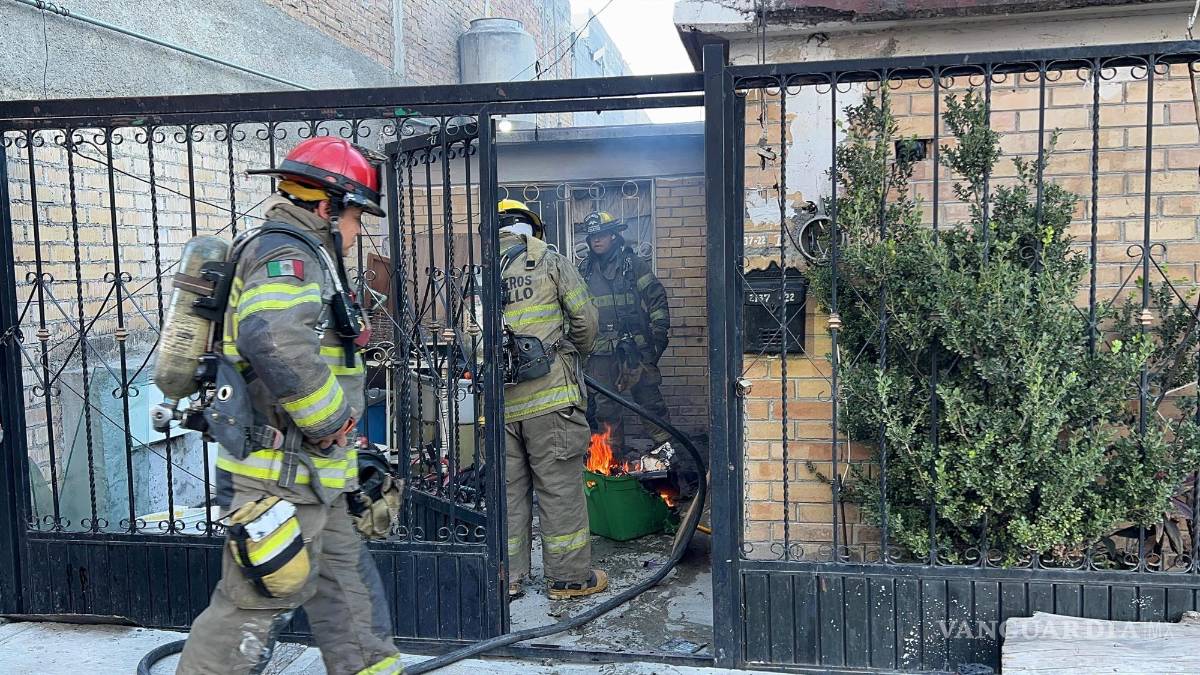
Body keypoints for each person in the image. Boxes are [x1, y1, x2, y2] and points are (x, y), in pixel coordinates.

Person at [177, 137, 403, 675]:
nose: (356, 233)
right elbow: (271, 337)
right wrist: (329, 422)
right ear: (326, 206)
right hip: (278, 478)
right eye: (355, 218)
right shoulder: (290, 255)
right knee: (248, 612)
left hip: (315, 477)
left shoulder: (303, 252)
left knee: (350, 599)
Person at [496, 199, 606, 601]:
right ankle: (569, 579)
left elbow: (471, 340)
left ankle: (507, 578)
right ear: (533, 229)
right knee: (559, 488)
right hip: (552, 401)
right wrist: (570, 355)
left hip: (501, 407)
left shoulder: (480, 275)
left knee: (508, 493)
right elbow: (586, 322)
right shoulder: (550, 262)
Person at [576, 211, 673, 463]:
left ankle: (668, 456)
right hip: (599, 353)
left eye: (602, 235)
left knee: (649, 402)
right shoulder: (584, 270)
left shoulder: (633, 265)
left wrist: (658, 337)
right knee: (606, 409)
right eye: (592, 236)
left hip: (634, 349)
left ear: (613, 235)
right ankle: (612, 462)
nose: (596, 240)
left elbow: (656, 298)